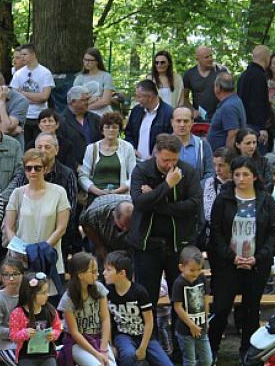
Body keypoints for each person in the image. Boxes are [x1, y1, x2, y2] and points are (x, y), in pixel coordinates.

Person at [58, 252, 142, 366]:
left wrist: (104, 347)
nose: (97, 275)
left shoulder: (99, 289)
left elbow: (105, 320)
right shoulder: (68, 299)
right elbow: (74, 333)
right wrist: (97, 354)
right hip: (77, 344)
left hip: (99, 340)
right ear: (80, 274)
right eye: (93, 271)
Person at [208, 156, 275, 365]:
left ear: (255, 176)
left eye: (246, 174)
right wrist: (232, 257)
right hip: (227, 264)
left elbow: (274, 232)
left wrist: (257, 258)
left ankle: (247, 352)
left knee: (251, 309)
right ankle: (211, 350)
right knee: (221, 308)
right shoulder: (223, 199)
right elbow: (216, 231)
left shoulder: (265, 199)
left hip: (256, 265)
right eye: (237, 174)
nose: (241, 178)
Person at [103, 250, 190, 366]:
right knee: (127, 357)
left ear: (122, 273)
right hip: (123, 336)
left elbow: (149, 322)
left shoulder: (139, 292)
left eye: (108, 269)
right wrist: (110, 345)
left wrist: (143, 347)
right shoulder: (108, 293)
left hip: (145, 336)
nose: (103, 272)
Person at [129, 134, 201, 321]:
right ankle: (150, 342)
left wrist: (156, 201)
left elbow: (193, 205)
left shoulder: (188, 171)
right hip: (147, 244)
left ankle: (180, 345)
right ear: (155, 154)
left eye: (174, 160)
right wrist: (167, 185)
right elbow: (139, 203)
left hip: (179, 244)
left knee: (181, 298)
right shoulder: (141, 170)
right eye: (165, 160)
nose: (170, 165)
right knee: (147, 299)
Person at [4, 149, 70, 279]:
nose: (33, 171)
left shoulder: (59, 192)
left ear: (45, 169)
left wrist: (42, 249)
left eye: (37, 168)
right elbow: (8, 227)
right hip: (21, 259)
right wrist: (21, 251)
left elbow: (61, 228)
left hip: (49, 257)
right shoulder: (17, 193)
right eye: (28, 168)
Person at [170, 246, 213, 366]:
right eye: (191, 270)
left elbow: (205, 299)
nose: (195, 274)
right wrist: (191, 325)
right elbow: (177, 307)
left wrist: (205, 319)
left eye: (198, 270)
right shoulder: (179, 283)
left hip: (202, 326)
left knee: (207, 360)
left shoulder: (201, 278)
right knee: (189, 359)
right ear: (182, 267)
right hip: (185, 330)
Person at [32, 132, 80, 258]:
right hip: (30, 230)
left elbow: (71, 209)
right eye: (39, 147)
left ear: (57, 150)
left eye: (47, 147)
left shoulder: (67, 175)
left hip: (60, 234)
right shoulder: (25, 173)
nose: (43, 151)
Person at [79, 112, 136, 201]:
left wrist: (117, 191)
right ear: (102, 130)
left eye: (115, 127)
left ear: (119, 130)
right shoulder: (91, 148)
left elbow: (134, 175)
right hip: (96, 195)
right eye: (107, 127)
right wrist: (97, 191)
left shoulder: (128, 148)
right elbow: (83, 176)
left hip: (120, 195)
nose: (111, 130)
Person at [10, 43, 55, 147]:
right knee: (24, 146)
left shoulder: (45, 73)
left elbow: (44, 97)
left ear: (33, 54)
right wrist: (36, 97)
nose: (22, 57)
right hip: (23, 117)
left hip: (40, 117)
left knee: (39, 145)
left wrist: (23, 94)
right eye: (21, 55)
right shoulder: (18, 74)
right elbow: (15, 97)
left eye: (25, 54)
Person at [125, 80, 174, 160]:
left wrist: (156, 156)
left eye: (139, 96)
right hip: (135, 162)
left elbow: (171, 140)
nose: (137, 100)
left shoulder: (169, 113)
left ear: (150, 97)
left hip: (157, 164)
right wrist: (132, 148)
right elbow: (128, 133)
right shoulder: (136, 110)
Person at [237, 45, 273, 150]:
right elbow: (257, 103)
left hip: (243, 123)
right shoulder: (259, 76)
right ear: (267, 58)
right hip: (255, 127)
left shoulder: (243, 75)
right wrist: (262, 127)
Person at [80, 194, 134, 263]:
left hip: (127, 241)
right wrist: (99, 246)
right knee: (102, 257)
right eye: (123, 226)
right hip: (101, 233)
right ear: (113, 214)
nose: (125, 229)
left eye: (129, 225)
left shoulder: (140, 209)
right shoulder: (94, 213)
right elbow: (86, 226)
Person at [60, 86, 103, 170]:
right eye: (84, 100)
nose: (88, 102)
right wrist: (76, 166)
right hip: (72, 169)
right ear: (73, 102)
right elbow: (62, 149)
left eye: (88, 99)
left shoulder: (96, 119)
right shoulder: (61, 121)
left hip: (97, 167)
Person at [182, 46, 227, 120]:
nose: (210, 59)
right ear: (198, 59)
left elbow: (230, 95)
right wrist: (192, 111)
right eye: (206, 57)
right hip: (199, 118)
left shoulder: (221, 71)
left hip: (220, 117)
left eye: (211, 56)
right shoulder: (189, 74)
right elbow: (184, 97)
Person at [171, 106, 214, 184]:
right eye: (178, 121)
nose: (182, 125)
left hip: (197, 194)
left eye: (186, 121)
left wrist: (196, 189)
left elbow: (210, 173)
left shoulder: (203, 145)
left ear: (192, 122)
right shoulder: (162, 145)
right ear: (172, 122)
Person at [207, 72, 247, 151]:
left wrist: (228, 160)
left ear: (218, 87)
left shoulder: (228, 107)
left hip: (222, 159)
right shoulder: (234, 101)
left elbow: (233, 135)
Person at [73, 48, 114, 116]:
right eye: (85, 60)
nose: (87, 63)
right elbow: (76, 101)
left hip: (103, 114)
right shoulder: (79, 78)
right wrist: (97, 99)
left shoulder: (106, 76)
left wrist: (86, 107)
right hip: (84, 115)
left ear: (97, 62)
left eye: (90, 60)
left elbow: (106, 101)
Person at [203, 147, 233, 228]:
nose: (217, 169)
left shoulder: (239, 182)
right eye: (214, 165)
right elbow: (208, 213)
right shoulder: (210, 182)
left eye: (221, 165)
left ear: (231, 165)